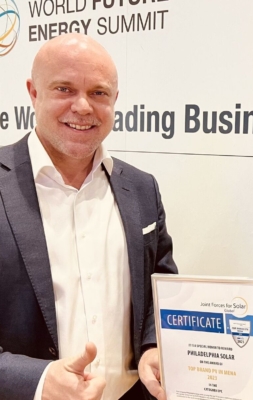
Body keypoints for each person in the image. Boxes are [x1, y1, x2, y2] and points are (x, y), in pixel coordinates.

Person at [0, 33, 177, 400]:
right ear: (34, 93)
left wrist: (152, 346)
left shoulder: (142, 188)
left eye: (98, 92)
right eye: (64, 89)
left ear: (114, 100)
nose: (83, 106)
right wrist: (37, 381)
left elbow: (161, 288)